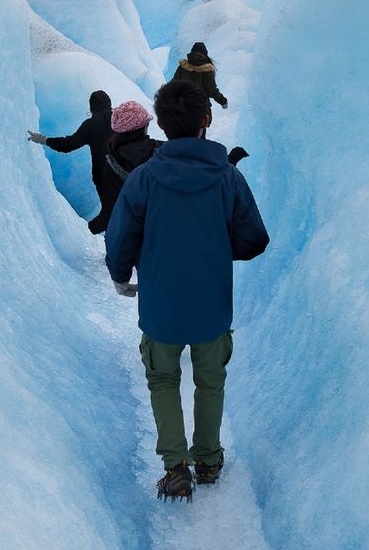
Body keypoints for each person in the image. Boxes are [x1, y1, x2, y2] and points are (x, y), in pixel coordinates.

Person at [105, 80, 269, 501]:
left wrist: (121, 275)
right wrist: (214, 248)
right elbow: (253, 239)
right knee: (210, 382)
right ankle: (209, 460)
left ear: (160, 123)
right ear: (207, 120)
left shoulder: (143, 180)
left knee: (163, 380)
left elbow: (121, 236)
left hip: (161, 308)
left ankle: (176, 467)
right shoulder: (228, 178)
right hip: (212, 306)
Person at [28, 90, 112, 234]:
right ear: (109, 103)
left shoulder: (90, 125)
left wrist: (44, 139)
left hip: (102, 175)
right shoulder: (120, 119)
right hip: (126, 173)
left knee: (110, 210)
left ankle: (111, 242)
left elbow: (68, 145)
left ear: (91, 107)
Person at [98, 100, 163, 232]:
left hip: (130, 232)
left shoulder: (111, 161)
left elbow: (112, 205)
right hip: (162, 228)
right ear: (143, 126)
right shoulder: (162, 150)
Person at [172, 41, 228, 130]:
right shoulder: (207, 70)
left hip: (184, 107)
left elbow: (173, 85)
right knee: (200, 136)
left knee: (184, 135)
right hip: (201, 109)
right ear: (205, 54)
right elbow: (212, 90)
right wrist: (222, 101)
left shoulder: (182, 68)